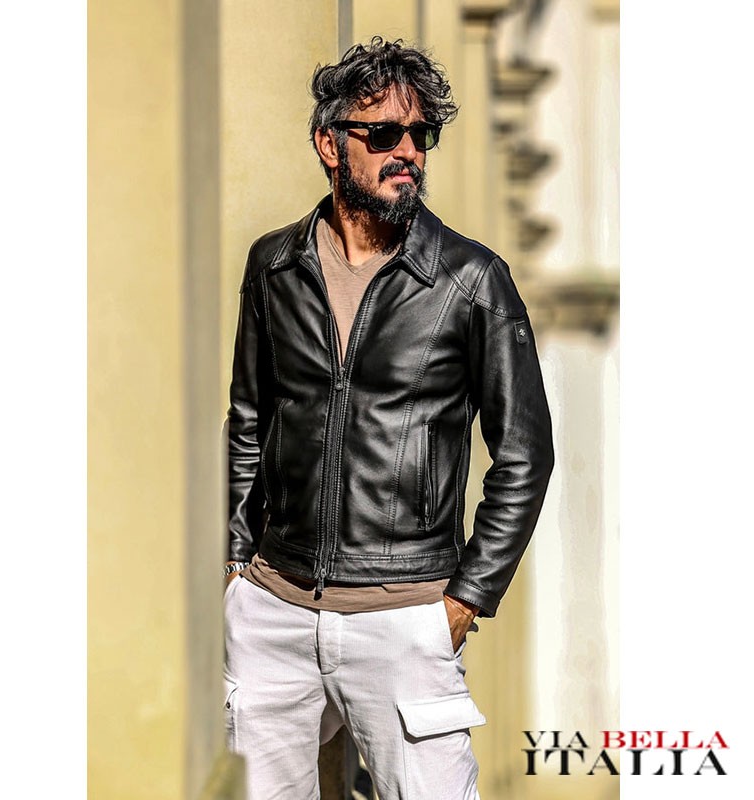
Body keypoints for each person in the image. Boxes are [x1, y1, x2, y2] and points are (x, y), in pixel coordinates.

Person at [223, 37, 554, 800]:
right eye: (384, 134)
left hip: (407, 617)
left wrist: (464, 601)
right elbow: (249, 418)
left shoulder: (471, 281)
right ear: (329, 144)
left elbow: (525, 454)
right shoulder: (274, 267)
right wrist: (237, 566)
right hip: (273, 613)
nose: (408, 151)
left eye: (420, 134)